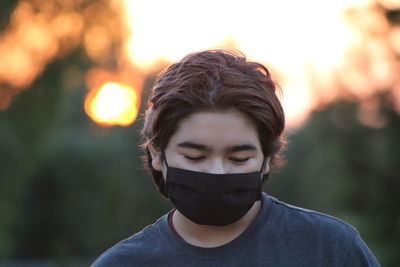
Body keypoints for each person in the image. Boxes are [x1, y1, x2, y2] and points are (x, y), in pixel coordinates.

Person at [92, 49, 380, 266]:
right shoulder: (122, 263)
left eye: (239, 158)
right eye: (194, 156)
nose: (217, 172)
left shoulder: (330, 249)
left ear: (267, 158)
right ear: (157, 153)